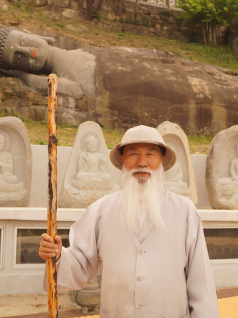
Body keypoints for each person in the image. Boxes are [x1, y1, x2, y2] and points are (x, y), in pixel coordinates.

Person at [39, 125, 219, 317]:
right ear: (123, 159)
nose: (142, 162)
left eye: (151, 154)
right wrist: (58, 255)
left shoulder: (185, 211)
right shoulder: (101, 210)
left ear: (162, 160)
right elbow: (80, 265)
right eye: (133, 154)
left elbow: (201, 282)